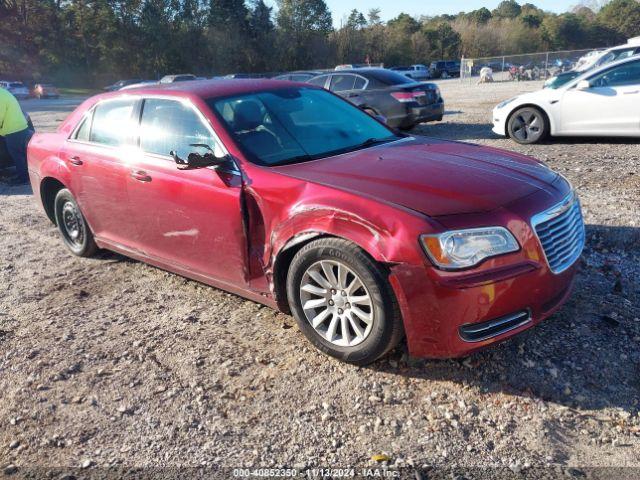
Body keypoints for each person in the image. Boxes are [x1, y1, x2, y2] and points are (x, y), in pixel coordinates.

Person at [0, 87, 33, 185]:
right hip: (20, 126)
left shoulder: (1, 96)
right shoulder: (3, 92)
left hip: (13, 129)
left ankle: (23, 179)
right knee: (21, 154)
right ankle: (26, 175)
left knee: (17, 155)